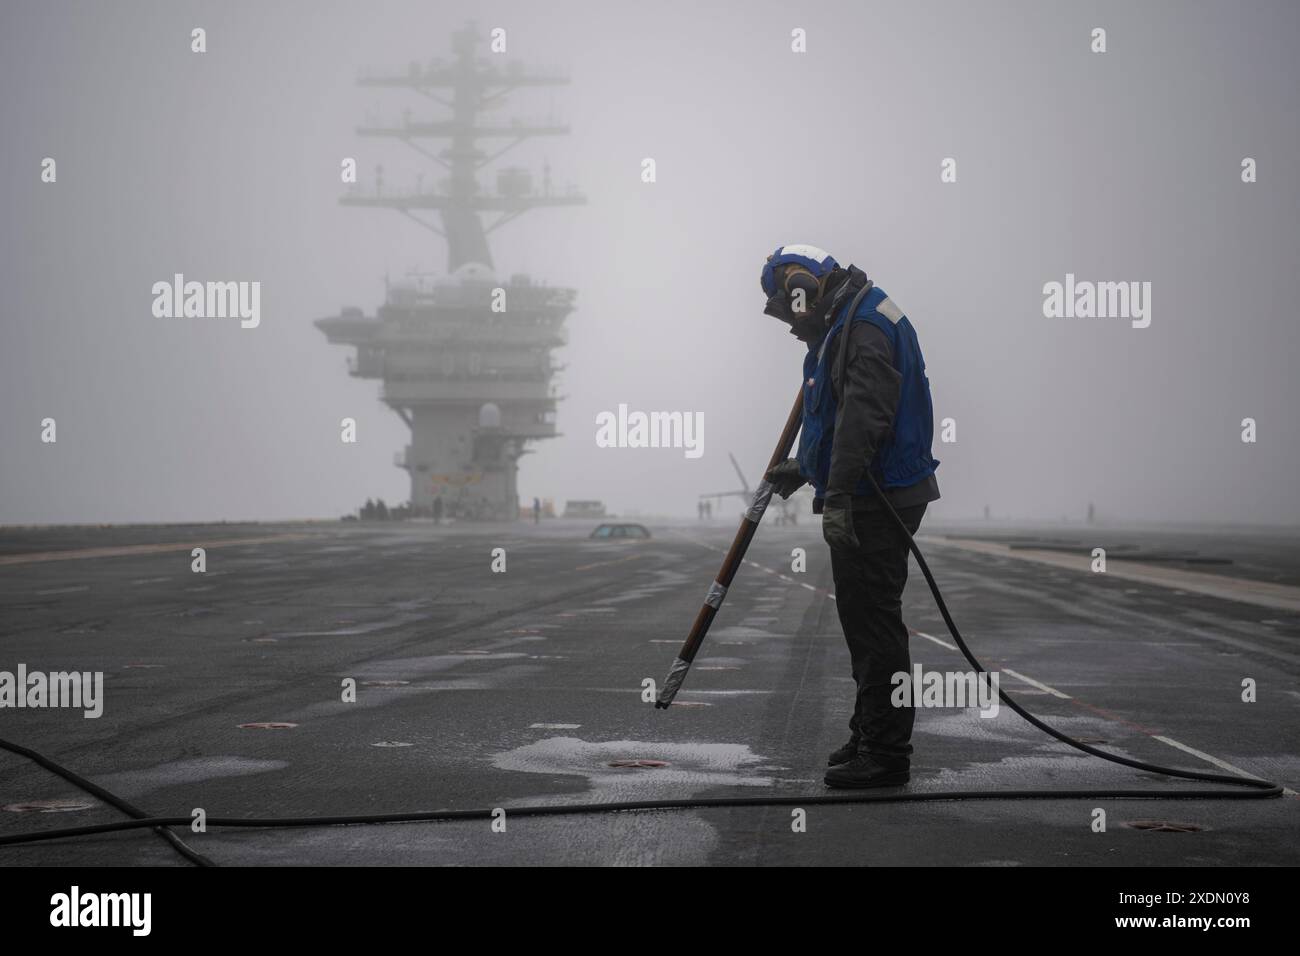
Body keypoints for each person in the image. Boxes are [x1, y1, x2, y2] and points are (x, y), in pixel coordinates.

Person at [759, 244, 940, 789]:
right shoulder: (849, 319)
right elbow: (840, 421)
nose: (792, 328)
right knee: (864, 624)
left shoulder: (861, 327)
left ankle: (886, 753)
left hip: (874, 500)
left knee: (874, 626)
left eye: (791, 314)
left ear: (804, 290)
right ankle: (870, 732)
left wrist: (836, 495)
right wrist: (809, 468)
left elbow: (866, 419)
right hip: (865, 492)